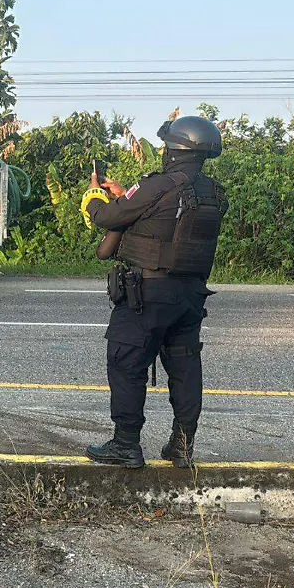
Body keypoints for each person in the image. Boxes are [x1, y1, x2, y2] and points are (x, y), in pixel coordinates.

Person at [82, 116, 227, 469]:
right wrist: (125, 198)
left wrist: (95, 198)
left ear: (176, 149)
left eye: (165, 146)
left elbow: (106, 218)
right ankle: (182, 446)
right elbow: (168, 223)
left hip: (147, 293)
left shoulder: (156, 185)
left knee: (126, 361)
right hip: (190, 296)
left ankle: (126, 445)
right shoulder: (213, 192)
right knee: (185, 367)